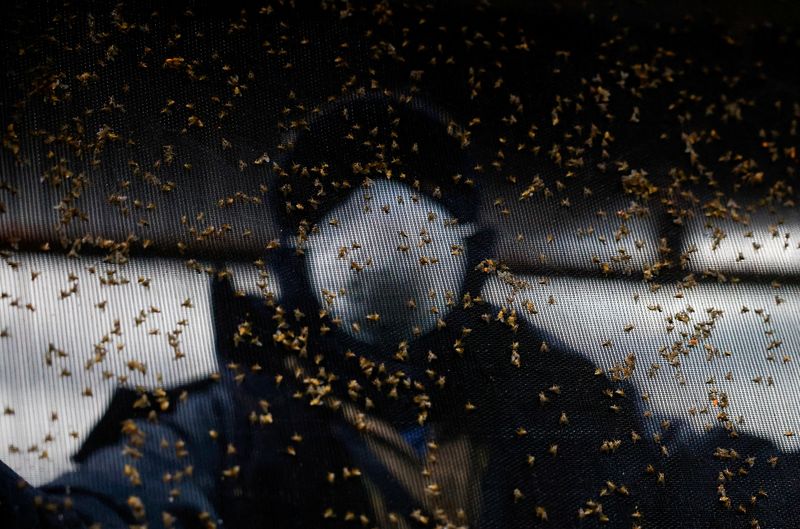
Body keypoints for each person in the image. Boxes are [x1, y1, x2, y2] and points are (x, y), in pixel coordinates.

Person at [1, 91, 796, 529]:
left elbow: (742, 487)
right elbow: (93, 513)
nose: (384, 217)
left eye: (418, 188)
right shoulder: (230, 429)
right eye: (339, 195)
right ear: (291, 266)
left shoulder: (579, 419)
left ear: (472, 253)